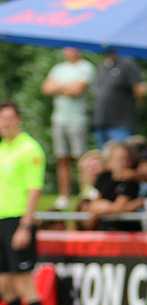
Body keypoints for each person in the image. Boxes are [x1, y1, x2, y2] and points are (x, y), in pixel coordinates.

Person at [0, 101, 47, 305]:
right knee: (5, 284)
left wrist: (25, 225)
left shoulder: (29, 149)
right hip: (1, 220)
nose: (5, 123)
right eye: (1, 119)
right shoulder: (2, 149)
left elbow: (34, 189)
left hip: (18, 219)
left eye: (9, 118)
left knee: (24, 282)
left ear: (18, 119)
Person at [41, 47, 96, 209]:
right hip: (59, 119)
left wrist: (58, 87)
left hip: (77, 119)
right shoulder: (58, 68)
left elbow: (77, 90)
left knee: (81, 158)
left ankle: (85, 190)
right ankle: (64, 195)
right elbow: (46, 88)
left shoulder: (86, 67)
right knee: (62, 158)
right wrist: (67, 87)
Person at [92, 51, 147, 148]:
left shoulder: (128, 64)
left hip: (121, 124)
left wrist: (136, 104)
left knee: (120, 156)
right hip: (101, 122)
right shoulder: (101, 66)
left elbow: (141, 89)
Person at [85, 141, 141, 231]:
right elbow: (93, 204)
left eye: (127, 159)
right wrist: (130, 206)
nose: (123, 163)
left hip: (126, 231)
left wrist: (105, 208)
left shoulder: (131, 181)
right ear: (110, 161)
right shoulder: (103, 177)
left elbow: (118, 207)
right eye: (119, 159)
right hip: (106, 230)